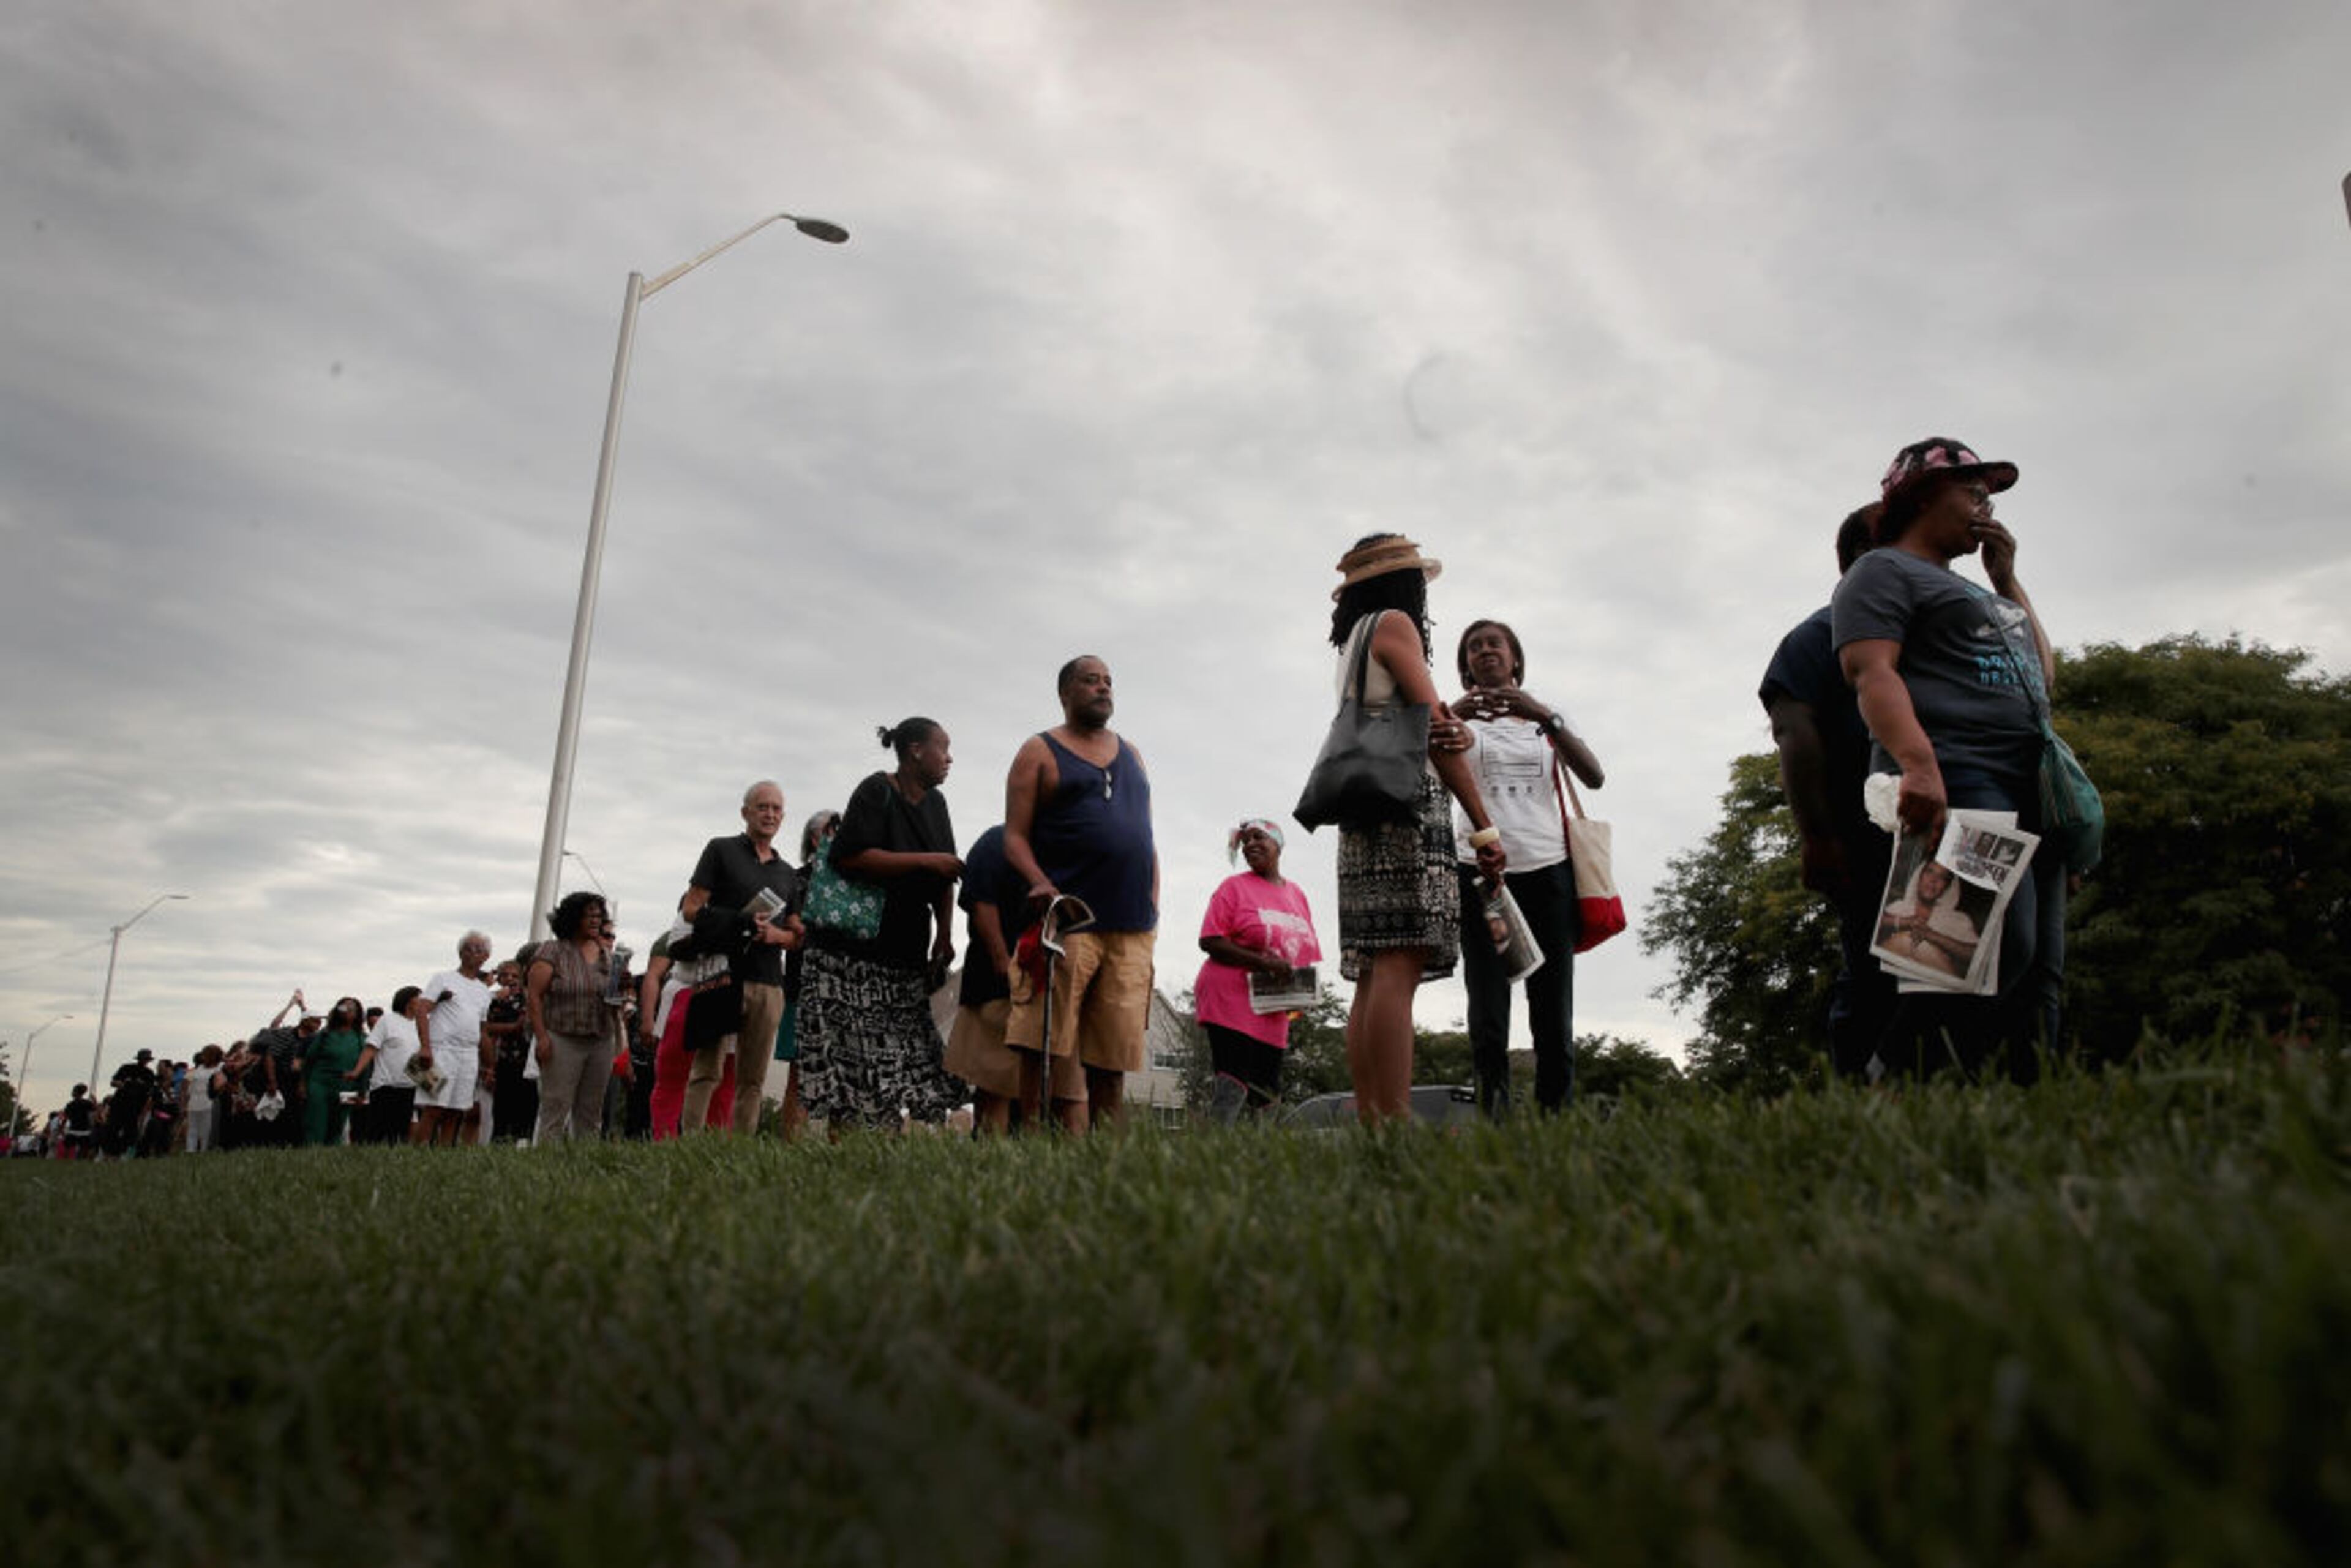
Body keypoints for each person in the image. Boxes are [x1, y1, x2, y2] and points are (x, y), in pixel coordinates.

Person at [1834, 437, 2067, 1076]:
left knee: (2018, 961)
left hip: (2026, 785)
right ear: (1922, 495)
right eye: (1973, 491)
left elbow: (2041, 678)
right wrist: (1919, 766)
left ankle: (1936, 1091)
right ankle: (1888, 1083)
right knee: (1974, 947)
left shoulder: (1981, 593)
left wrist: (2007, 579)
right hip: (1962, 775)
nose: (1984, 506)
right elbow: (1871, 672)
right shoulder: (1882, 571)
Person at [1322, 535, 1506, 1124]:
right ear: (1405, 585)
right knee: (1398, 966)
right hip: (1405, 806)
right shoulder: (1396, 624)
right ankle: (1396, 1118)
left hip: (1360, 808)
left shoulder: (1353, 640)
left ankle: (1375, 1118)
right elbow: (1435, 727)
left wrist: (1449, 723)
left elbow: (1431, 718)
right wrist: (1484, 828)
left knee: (1373, 973)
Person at [1762, 505, 1899, 1081]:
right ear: (1858, 559)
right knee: (1875, 967)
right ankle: (1858, 1086)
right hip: (1862, 835)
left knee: (1942, 969)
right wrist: (1817, 838)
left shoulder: (1929, 630)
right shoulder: (1817, 637)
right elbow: (1794, 732)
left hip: (1943, 825)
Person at [1450, 618, 1606, 1117]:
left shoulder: (1546, 717)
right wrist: (1452, 713)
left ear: (1515, 658)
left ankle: (1554, 1117)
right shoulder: (1459, 722)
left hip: (1548, 870)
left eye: (1495, 643)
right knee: (1489, 1007)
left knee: (1552, 1006)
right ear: (1466, 666)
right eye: (1474, 648)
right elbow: (1418, 771)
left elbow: (1594, 776)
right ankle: (1494, 1119)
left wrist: (1543, 715)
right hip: (1482, 874)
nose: (1485, 651)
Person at [1003, 658, 1160, 1133]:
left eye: (1109, 680)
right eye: (1090, 680)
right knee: (1041, 1041)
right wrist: (1038, 880)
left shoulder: (1131, 752)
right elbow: (1014, 836)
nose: (1103, 688)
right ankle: (1031, 1139)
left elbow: (1145, 833)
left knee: (1113, 1054)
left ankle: (1104, 1154)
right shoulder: (1039, 749)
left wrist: (1154, 899)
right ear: (1065, 693)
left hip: (1132, 925)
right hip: (1069, 919)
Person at [797, 722, 969, 1135]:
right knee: (849, 1065)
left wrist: (944, 936)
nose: (949, 758)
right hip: (848, 956)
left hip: (905, 953)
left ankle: (882, 1152)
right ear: (914, 751)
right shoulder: (876, 790)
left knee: (895, 1065)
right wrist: (925, 861)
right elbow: (851, 857)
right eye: (942, 748)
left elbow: (946, 874)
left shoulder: (937, 805)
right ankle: (844, 1155)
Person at [679, 781, 802, 1136]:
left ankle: (742, 1149)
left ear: (783, 817)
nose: (770, 814)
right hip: (721, 973)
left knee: (753, 1077)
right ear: (746, 812)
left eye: (777, 809)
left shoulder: (788, 874)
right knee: (707, 1068)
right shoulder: (720, 850)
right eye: (762, 807)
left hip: (768, 981)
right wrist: (739, 922)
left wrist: (774, 935)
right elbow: (691, 909)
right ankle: (688, 1145)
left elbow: (796, 935)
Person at [943, 823, 1082, 1135]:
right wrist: (1003, 963)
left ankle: (1064, 1172)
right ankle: (994, 1169)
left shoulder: (1069, 849)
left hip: (1055, 986)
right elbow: (981, 902)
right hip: (999, 986)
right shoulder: (997, 842)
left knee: (1068, 1093)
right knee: (996, 1086)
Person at [1193, 819, 1322, 1122]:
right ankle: (1208, 1157)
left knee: (1267, 1093)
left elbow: (1301, 950)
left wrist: (1299, 995)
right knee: (1234, 1083)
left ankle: (1260, 1163)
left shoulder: (1297, 895)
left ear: (1278, 844)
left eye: (1258, 837)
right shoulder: (1234, 887)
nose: (1250, 844)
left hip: (1273, 1004)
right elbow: (1210, 940)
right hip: (1229, 996)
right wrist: (1263, 962)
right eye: (1245, 841)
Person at [528, 891, 625, 1142]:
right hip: (562, 1038)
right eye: (588, 915)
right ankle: (545, 1163)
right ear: (572, 918)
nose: (595, 920)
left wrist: (621, 991)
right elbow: (535, 997)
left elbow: (615, 1000)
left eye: (598, 915)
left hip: (600, 1040)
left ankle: (585, 1164)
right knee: (556, 1105)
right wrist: (542, 1038)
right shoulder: (552, 951)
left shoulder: (609, 956)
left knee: (592, 1110)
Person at [412, 933, 496, 1146]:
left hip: (468, 1054)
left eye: (478, 949)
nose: (472, 952)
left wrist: (489, 1065)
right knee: (433, 1108)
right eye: (468, 948)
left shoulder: (483, 991)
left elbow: (483, 1030)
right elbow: (422, 1010)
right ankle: (419, 1152)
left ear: (486, 956)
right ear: (460, 953)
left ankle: (443, 1153)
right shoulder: (443, 978)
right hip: (441, 1050)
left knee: (456, 1110)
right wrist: (425, 1048)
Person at [1875, 859, 1982, 979]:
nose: (1933, 880)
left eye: (1942, 877)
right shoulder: (1900, 907)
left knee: (1911, 943)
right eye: (1929, 872)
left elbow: (1976, 956)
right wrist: (1904, 922)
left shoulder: (1958, 919)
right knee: (1905, 941)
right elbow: (1877, 925)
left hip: (1935, 981)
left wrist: (1934, 936)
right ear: (1919, 878)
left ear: (1947, 887)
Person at [352, 987, 424, 1145]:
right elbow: (371, 1048)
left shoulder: (421, 1024)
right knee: (379, 1130)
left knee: (401, 1131)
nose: (423, 1001)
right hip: (386, 1085)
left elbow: (421, 1056)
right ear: (407, 1001)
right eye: (420, 997)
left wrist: (432, 1085)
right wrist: (357, 1071)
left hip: (410, 1086)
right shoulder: (388, 1021)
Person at [298, 998, 370, 1146]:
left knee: (338, 1125)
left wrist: (362, 1093)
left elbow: (365, 1068)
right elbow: (309, 1061)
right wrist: (303, 1085)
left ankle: (331, 1157)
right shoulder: (325, 1034)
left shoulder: (362, 1039)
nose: (348, 1012)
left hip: (347, 1088)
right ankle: (313, 1154)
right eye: (344, 1008)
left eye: (352, 1009)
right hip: (320, 1084)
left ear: (358, 1014)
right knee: (316, 1123)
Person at [184, 1045, 224, 1154]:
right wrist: (185, 1101)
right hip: (194, 1102)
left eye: (205, 1054)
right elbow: (188, 1084)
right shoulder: (199, 1068)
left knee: (206, 1130)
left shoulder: (220, 1067)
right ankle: (190, 1151)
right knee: (192, 1129)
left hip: (209, 1101)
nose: (203, 1056)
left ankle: (204, 1151)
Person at [58, 1084, 96, 1160]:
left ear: (76, 1092)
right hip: (84, 1130)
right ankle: (80, 1161)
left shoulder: (70, 1104)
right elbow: (92, 1115)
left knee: (68, 1148)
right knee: (84, 1149)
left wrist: (62, 1127)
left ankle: (66, 1162)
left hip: (73, 1129)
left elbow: (65, 1117)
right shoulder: (88, 1103)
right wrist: (94, 1100)